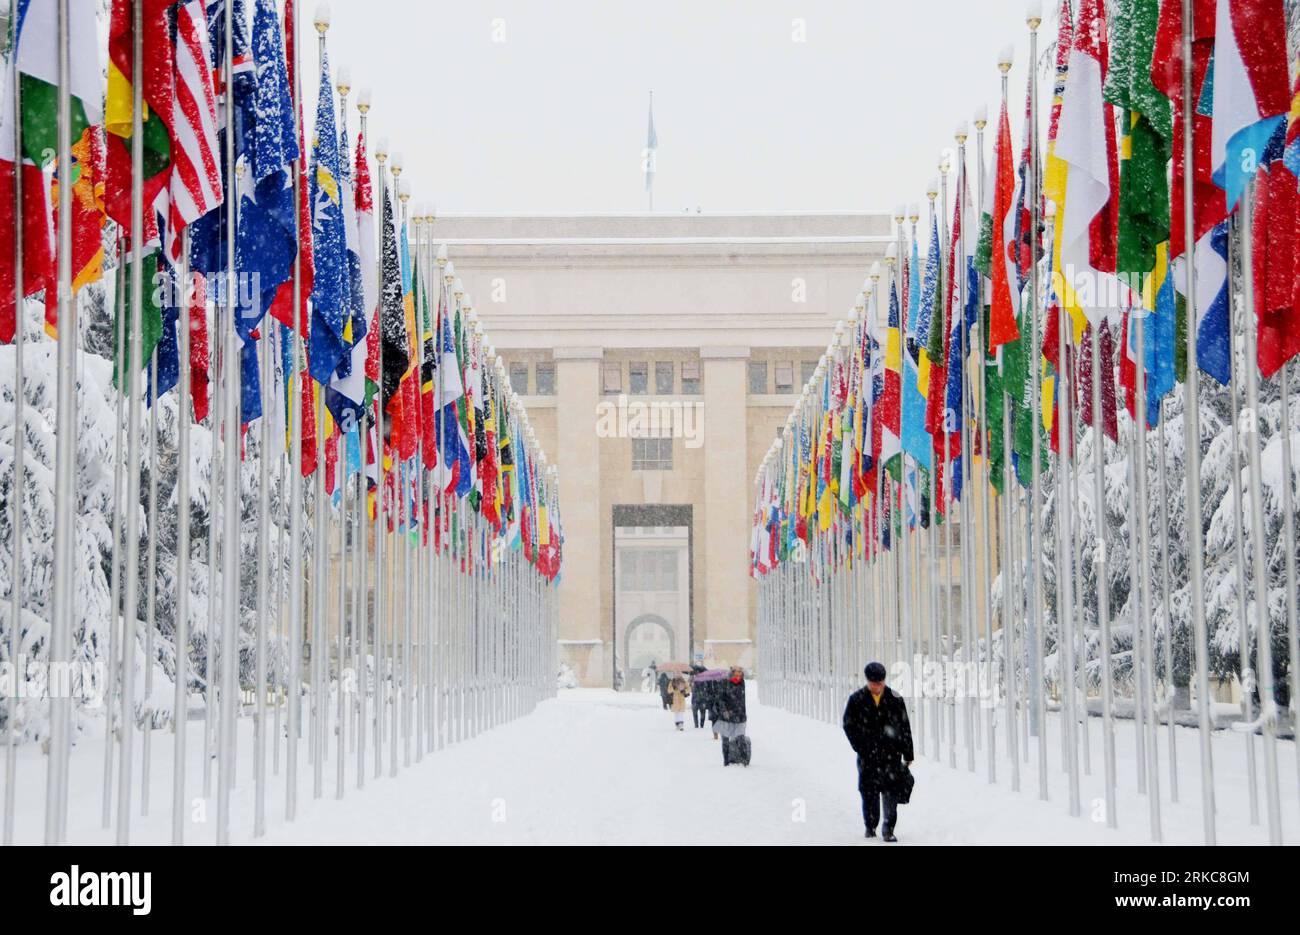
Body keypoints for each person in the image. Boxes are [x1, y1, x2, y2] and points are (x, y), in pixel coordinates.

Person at [842, 662, 913, 842]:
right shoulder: (856, 699)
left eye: (880, 683)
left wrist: (908, 753)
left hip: (891, 756)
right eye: (874, 683)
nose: (877, 686)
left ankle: (888, 829)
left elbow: (905, 726)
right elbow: (848, 725)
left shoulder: (895, 699)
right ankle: (870, 826)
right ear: (867, 681)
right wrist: (861, 746)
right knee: (869, 793)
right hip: (868, 757)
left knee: (891, 793)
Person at [714, 666, 748, 765]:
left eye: (740, 675)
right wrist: (724, 710)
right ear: (732, 674)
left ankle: (744, 759)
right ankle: (726, 760)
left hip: (739, 715)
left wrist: (743, 714)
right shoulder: (725, 683)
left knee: (740, 738)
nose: (738, 677)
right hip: (726, 716)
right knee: (725, 739)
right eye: (736, 675)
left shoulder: (742, 683)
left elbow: (741, 701)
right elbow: (720, 699)